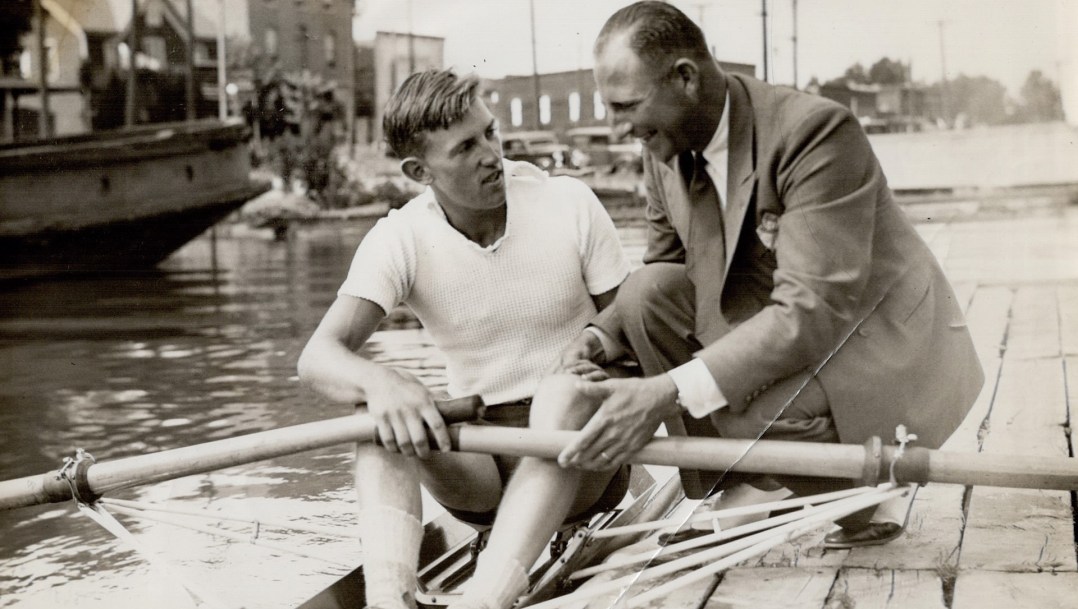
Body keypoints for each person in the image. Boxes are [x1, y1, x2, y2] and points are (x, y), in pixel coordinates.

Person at [555, 0, 984, 549]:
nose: (618, 128)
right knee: (645, 296)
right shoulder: (663, 144)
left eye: (626, 106)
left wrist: (667, 390)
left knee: (738, 407)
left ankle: (857, 497)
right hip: (788, 320)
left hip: (877, 340)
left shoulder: (814, 132)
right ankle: (753, 480)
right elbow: (665, 267)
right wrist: (599, 335)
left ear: (685, 79)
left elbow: (810, 310)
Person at [297, 69, 630, 609]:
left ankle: (487, 599)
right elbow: (318, 358)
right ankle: (389, 598)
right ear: (418, 170)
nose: (491, 154)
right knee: (375, 412)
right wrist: (383, 384)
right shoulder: (401, 237)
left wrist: (601, 357)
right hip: (480, 467)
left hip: (579, 458)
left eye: (491, 134)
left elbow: (632, 330)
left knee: (564, 395)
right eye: (466, 147)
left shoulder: (569, 203)